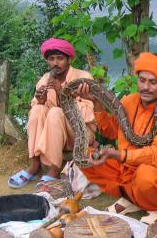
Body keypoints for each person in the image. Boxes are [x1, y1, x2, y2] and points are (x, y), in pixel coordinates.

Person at [77, 52, 157, 224]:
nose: (145, 87)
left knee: (145, 175)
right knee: (83, 155)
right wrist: (97, 103)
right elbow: (110, 131)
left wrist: (118, 155)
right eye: (142, 80)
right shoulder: (130, 101)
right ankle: (132, 199)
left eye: (153, 82)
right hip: (127, 170)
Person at [8, 38, 96, 188]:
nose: (56, 63)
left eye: (60, 58)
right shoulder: (44, 80)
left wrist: (62, 93)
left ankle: (54, 169)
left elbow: (88, 115)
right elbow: (38, 113)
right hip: (54, 135)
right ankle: (35, 165)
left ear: (69, 59)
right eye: (51, 59)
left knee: (55, 112)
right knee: (37, 110)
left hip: (80, 133)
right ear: (47, 61)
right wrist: (40, 101)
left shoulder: (83, 78)